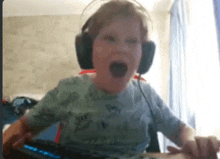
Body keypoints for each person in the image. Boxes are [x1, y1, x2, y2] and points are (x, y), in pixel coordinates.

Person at [3, 0, 220, 158]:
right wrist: (12, 136)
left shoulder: (148, 96)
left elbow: (180, 129)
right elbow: (25, 124)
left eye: (132, 41)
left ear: (143, 56)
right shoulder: (68, 90)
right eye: (109, 38)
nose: (122, 49)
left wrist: (192, 142)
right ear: (88, 50)